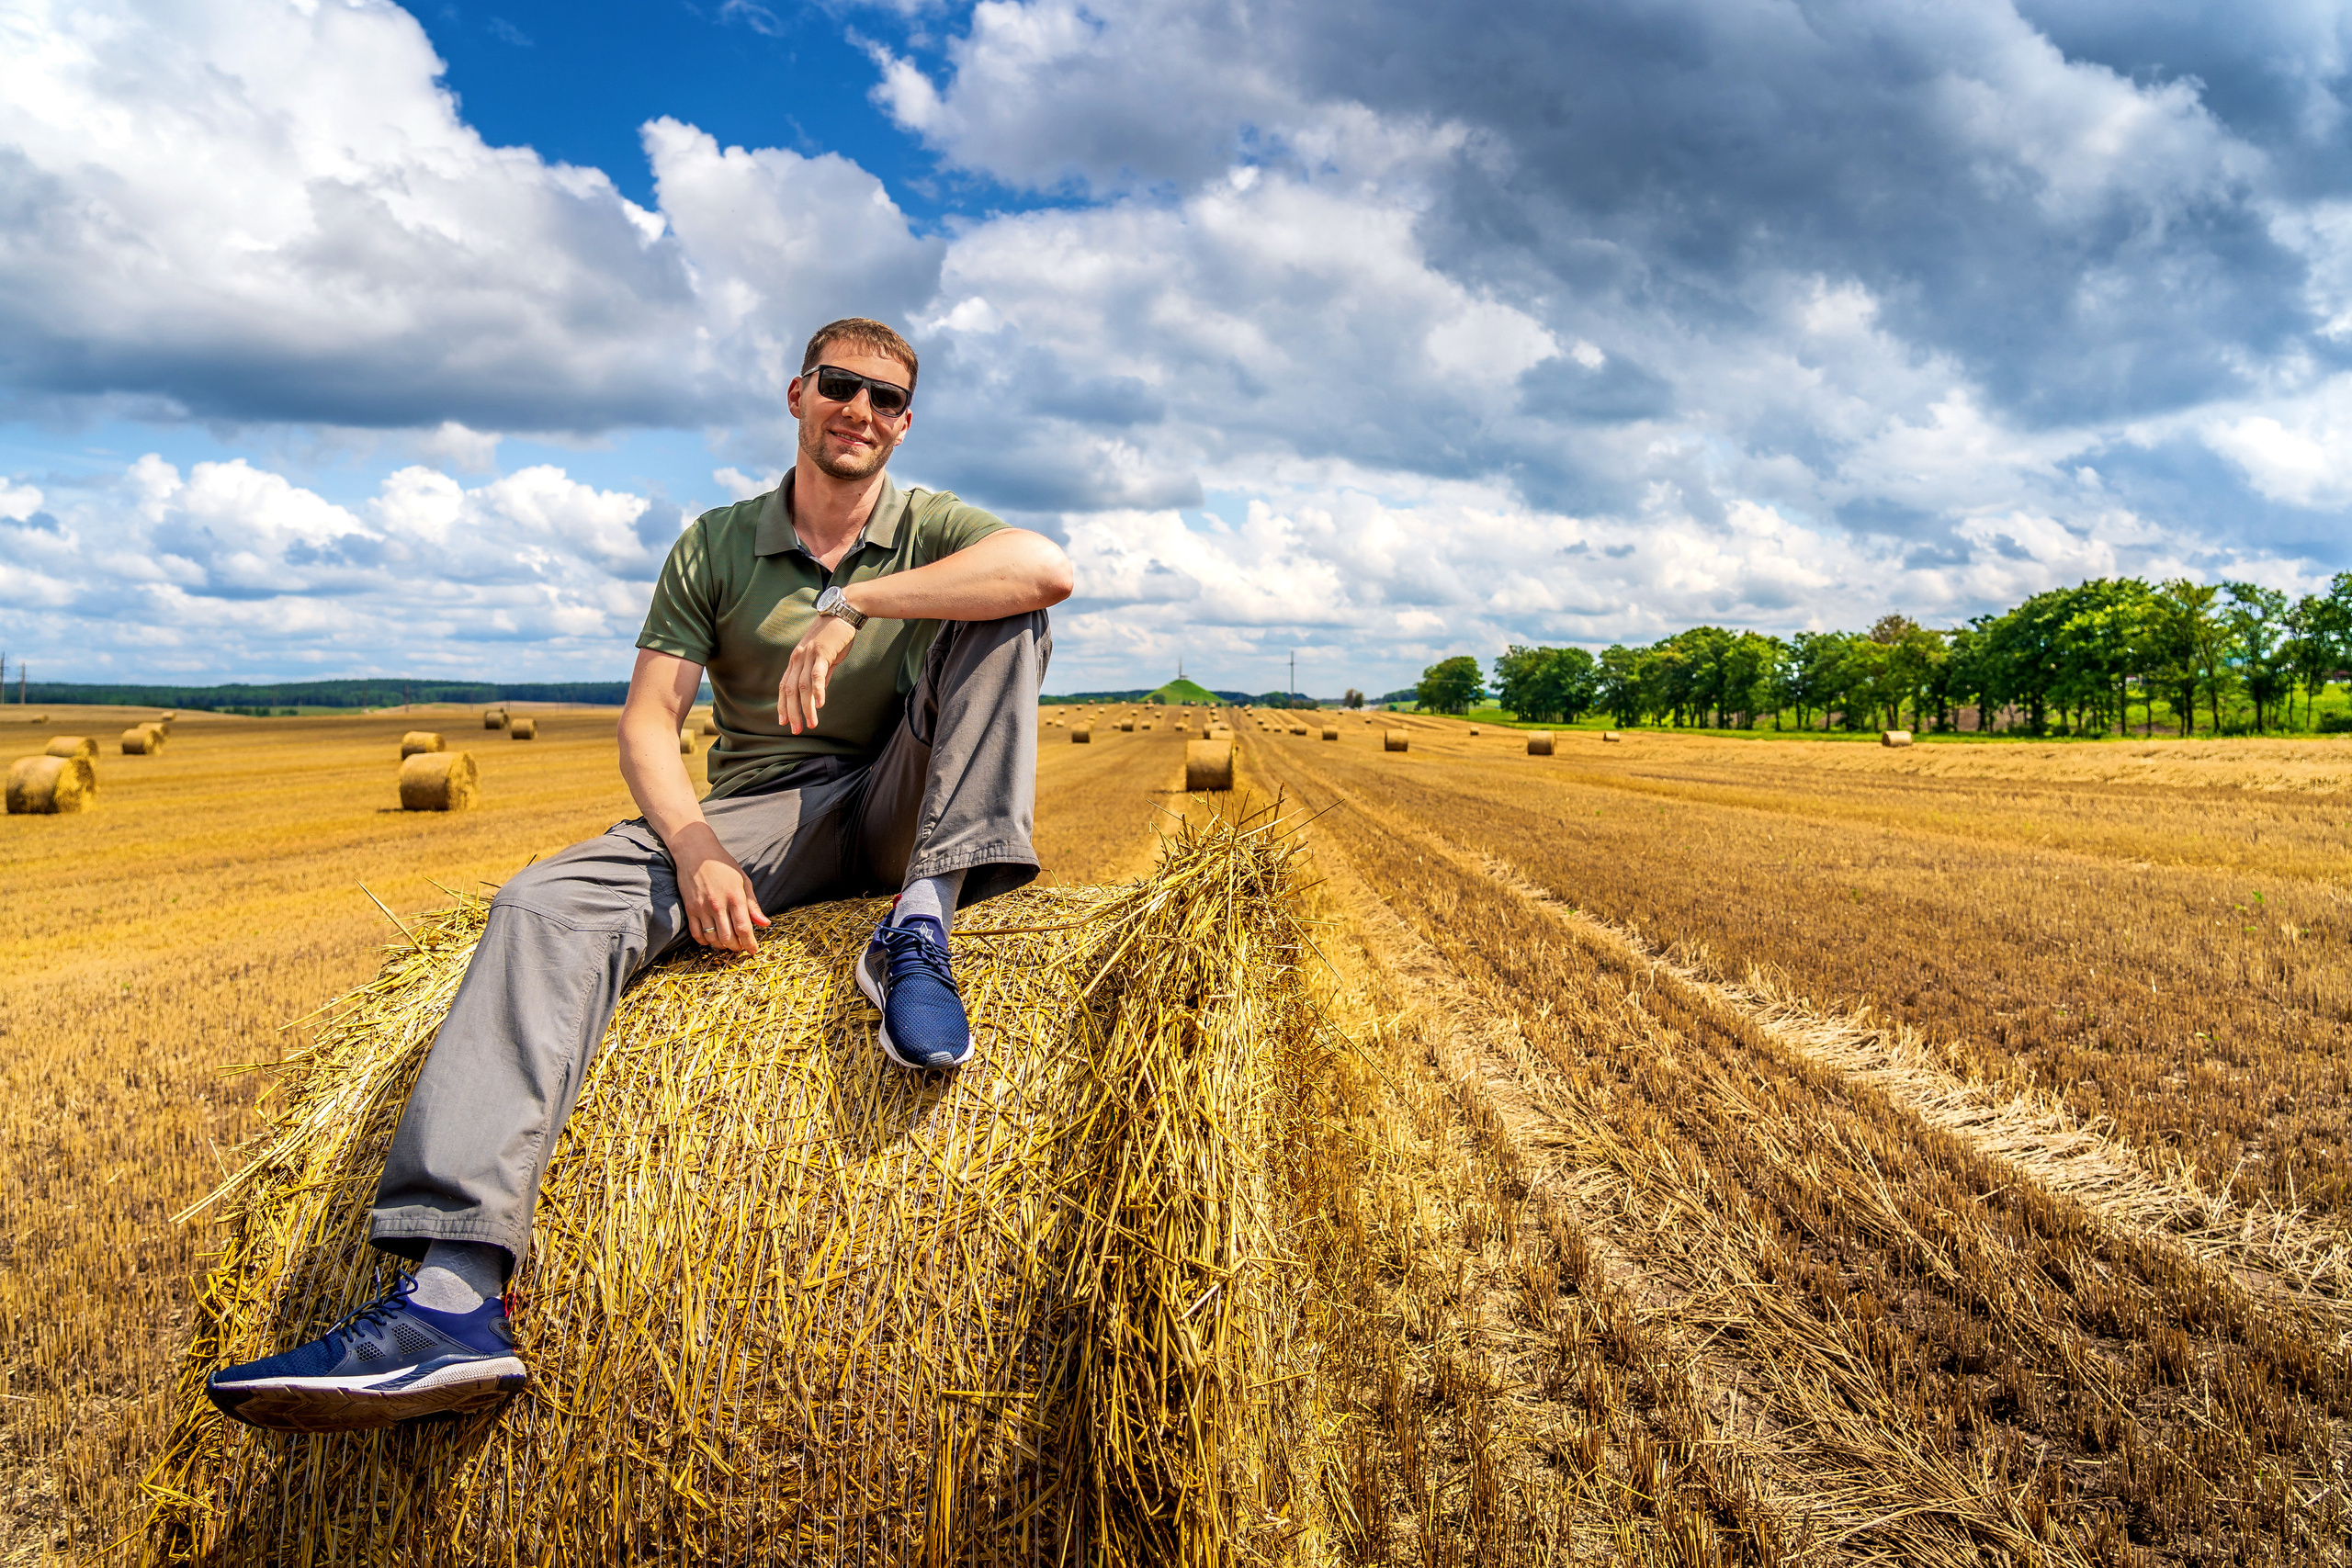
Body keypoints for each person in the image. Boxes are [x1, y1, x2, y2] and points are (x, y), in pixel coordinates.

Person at [204, 318, 1074, 1433]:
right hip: (772, 811)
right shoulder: (715, 544)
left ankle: (919, 926)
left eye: (888, 400)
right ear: (798, 394)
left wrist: (854, 605)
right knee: (543, 904)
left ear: (906, 424)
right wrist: (697, 847)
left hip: (912, 797)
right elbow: (649, 724)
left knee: (1007, 616)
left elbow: (1045, 568)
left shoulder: (928, 527)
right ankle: (453, 1299)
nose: (862, 411)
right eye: (842, 387)